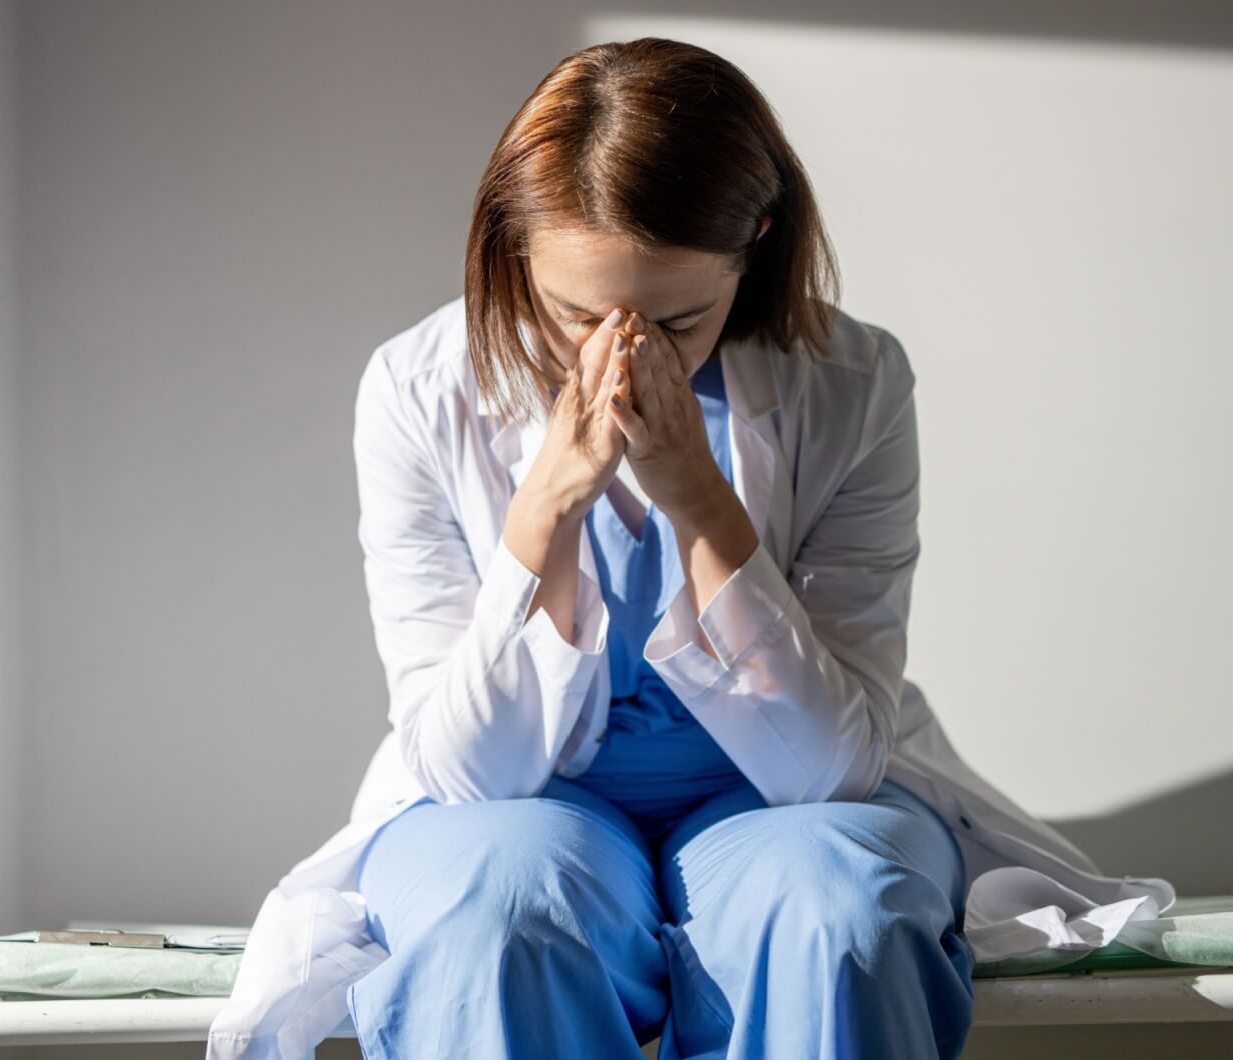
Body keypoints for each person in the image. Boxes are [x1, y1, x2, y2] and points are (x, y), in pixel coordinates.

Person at [205, 35, 1172, 1060]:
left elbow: (828, 766)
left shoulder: (854, 382)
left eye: (680, 318)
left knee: (839, 915)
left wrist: (699, 500)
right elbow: (465, 769)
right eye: (575, 313)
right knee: (495, 916)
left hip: (785, 798)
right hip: (514, 804)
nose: (618, 356)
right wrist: (544, 509)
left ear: (754, 242)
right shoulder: (415, 389)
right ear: (512, 246)